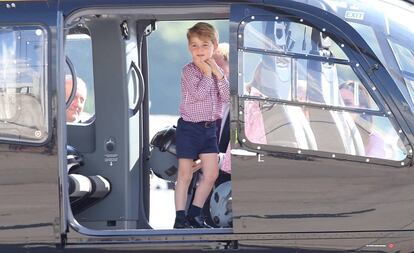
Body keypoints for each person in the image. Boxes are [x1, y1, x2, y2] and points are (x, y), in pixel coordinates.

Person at [174, 22, 230, 229]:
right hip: (189, 129)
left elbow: (225, 97)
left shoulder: (217, 73)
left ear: (214, 46)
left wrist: (217, 73)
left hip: (209, 129)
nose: (199, 50)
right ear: (189, 48)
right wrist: (207, 73)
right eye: (194, 45)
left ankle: (195, 214)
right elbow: (198, 94)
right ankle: (180, 217)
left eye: (205, 45)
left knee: (212, 173)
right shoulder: (188, 71)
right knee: (185, 174)